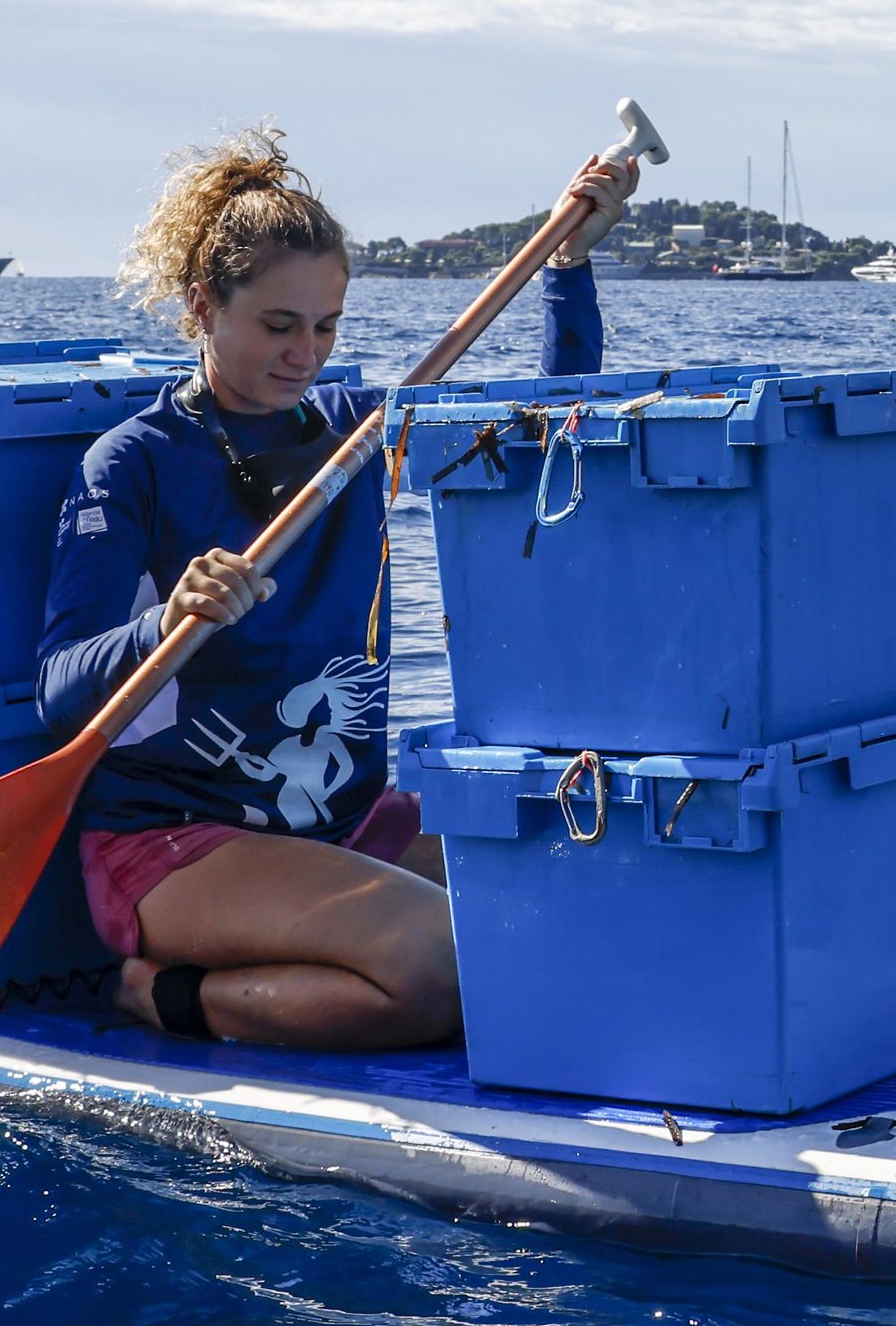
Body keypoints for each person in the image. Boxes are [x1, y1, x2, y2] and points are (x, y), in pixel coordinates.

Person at [39, 124, 642, 1052]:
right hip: (174, 842)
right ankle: (163, 995)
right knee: (443, 966)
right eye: (279, 325)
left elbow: (551, 427)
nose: (305, 353)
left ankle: (312, 953)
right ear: (204, 305)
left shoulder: (357, 439)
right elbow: (61, 691)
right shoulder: (135, 463)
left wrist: (566, 265)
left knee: (585, 897)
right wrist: (169, 621)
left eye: (326, 326)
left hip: (345, 824)